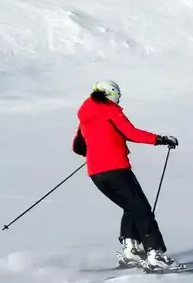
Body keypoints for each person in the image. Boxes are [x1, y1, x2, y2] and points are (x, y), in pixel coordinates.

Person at [73, 80, 180, 270]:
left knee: (131, 207)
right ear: (111, 94)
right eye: (118, 96)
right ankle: (155, 254)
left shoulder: (85, 114)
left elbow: (78, 146)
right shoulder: (109, 109)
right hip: (116, 169)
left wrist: (98, 148)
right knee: (142, 209)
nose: (119, 100)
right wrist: (160, 139)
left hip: (96, 174)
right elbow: (131, 133)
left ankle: (131, 250)